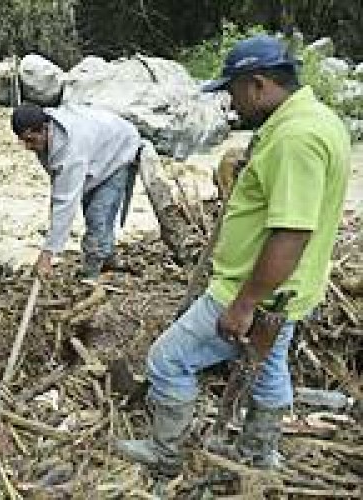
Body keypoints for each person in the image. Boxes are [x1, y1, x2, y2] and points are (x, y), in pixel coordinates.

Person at [116, 35, 351, 474]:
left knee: (168, 361)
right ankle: (258, 454)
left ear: (258, 85)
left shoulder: (295, 138)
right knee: (267, 366)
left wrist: (244, 303)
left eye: (233, 91)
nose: (230, 102)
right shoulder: (315, 121)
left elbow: (291, 232)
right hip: (289, 292)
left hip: (255, 288)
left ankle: (165, 455)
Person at [10, 103, 141, 280]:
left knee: (98, 215)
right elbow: (60, 189)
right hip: (97, 150)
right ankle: (107, 256)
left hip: (119, 149)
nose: (28, 146)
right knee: (92, 210)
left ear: (45, 128)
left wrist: (47, 255)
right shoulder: (46, 134)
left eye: (31, 140)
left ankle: (91, 273)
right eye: (24, 141)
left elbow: (65, 202)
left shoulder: (71, 147)